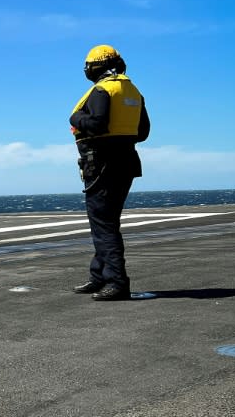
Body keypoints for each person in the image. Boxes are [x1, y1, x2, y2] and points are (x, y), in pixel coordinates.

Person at [69, 45, 150, 301]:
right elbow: (143, 133)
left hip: (101, 164)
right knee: (106, 222)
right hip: (126, 161)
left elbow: (98, 123)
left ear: (95, 66)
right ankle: (99, 276)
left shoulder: (102, 89)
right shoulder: (133, 91)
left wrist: (76, 120)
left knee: (103, 225)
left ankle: (117, 282)